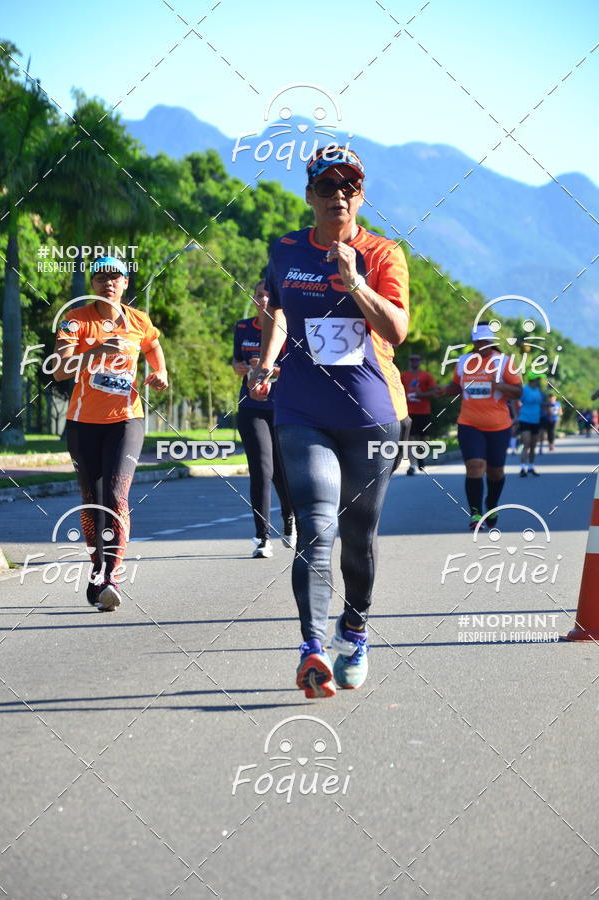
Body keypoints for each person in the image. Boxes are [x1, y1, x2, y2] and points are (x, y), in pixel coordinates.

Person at [248, 145, 410, 699]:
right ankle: (312, 650)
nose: (338, 196)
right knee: (317, 525)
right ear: (309, 194)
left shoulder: (383, 252)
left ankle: (355, 629)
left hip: (371, 414)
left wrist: (356, 282)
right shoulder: (286, 249)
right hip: (302, 409)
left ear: (360, 195)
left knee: (359, 537)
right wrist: (266, 364)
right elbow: (277, 313)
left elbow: (396, 331)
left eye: (350, 187)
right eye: (327, 186)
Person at [53, 256, 168, 611]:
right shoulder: (77, 320)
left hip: (127, 419)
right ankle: (97, 572)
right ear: (93, 284)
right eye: (101, 277)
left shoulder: (139, 321)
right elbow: (59, 370)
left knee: (116, 496)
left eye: (115, 277)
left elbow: (151, 345)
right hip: (84, 422)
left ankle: (112, 575)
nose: (109, 283)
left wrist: (160, 371)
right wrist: (96, 351)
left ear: (126, 283)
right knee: (94, 500)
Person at [435, 322, 522, 530]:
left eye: (486, 341)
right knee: (475, 466)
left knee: (495, 473)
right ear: (473, 342)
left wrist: (498, 385)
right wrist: (444, 390)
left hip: (499, 426)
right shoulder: (464, 361)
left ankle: (491, 504)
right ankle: (475, 514)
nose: (483, 345)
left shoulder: (504, 362)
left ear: (492, 342)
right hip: (469, 423)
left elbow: (518, 392)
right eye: (479, 341)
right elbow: (457, 385)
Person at [232, 280, 295, 558]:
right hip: (251, 406)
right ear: (254, 298)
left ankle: (289, 518)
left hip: (283, 406)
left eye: (269, 297)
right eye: (259, 296)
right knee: (260, 468)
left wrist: (269, 370)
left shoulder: (287, 327)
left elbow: (295, 367)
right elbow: (236, 363)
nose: (264, 301)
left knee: (281, 471)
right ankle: (262, 537)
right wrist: (242, 368)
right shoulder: (243, 328)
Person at [400, 353, 436, 474]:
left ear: (420, 362)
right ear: (409, 362)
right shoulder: (403, 376)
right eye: (412, 359)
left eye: (416, 359)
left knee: (423, 438)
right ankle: (413, 464)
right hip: (408, 412)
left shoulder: (426, 376)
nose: (414, 362)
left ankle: (421, 458)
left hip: (424, 411)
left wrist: (422, 395)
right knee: (411, 438)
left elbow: (435, 392)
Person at [515, 374, 545, 476]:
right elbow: (515, 399)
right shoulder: (525, 389)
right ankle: (523, 468)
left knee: (533, 444)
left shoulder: (538, 391)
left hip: (536, 420)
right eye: (538, 380)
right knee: (526, 443)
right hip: (525, 419)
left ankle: (531, 467)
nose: (539, 382)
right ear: (533, 380)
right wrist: (515, 416)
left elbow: (541, 404)